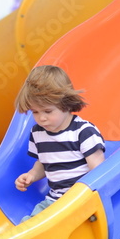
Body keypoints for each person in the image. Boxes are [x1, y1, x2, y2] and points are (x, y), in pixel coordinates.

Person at [14, 65, 105, 222]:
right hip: (54, 201)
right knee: (27, 225)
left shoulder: (83, 131)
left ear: (66, 104)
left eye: (48, 111)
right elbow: (43, 163)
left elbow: (98, 170)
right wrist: (31, 175)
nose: (41, 118)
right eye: (35, 112)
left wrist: (86, 200)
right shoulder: (38, 133)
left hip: (82, 200)